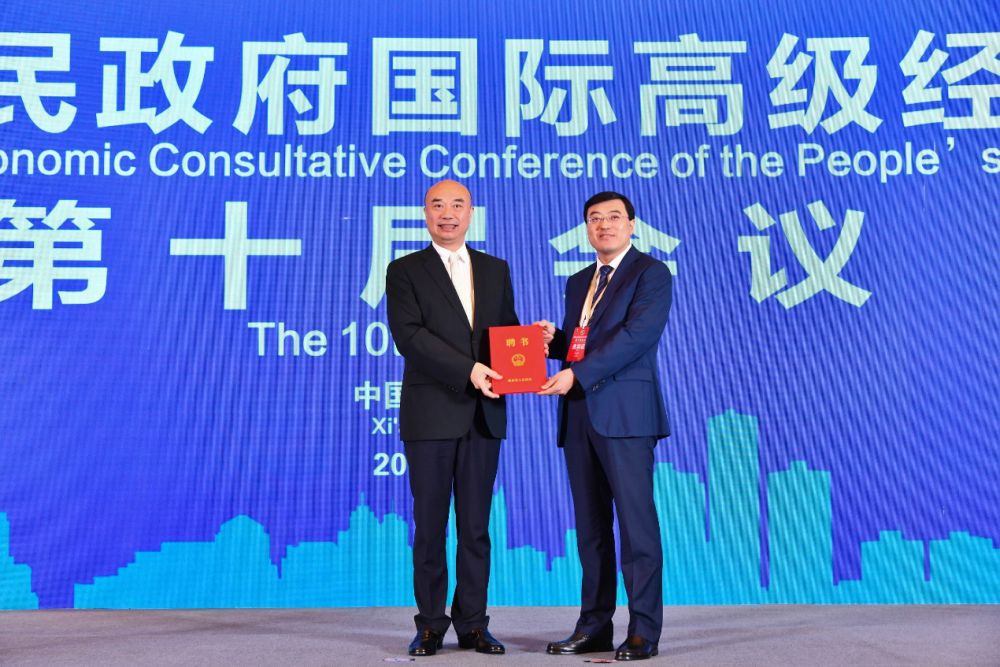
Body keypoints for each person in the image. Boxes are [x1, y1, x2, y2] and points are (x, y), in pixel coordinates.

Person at [537, 191, 672, 661]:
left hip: (627, 416)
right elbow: (584, 343)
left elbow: (636, 337)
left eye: (614, 217)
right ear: (586, 228)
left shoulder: (651, 273)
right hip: (579, 415)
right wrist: (554, 342)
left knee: (636, 529)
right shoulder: (580, 281)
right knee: (591, 530)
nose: (604, 225)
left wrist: (577, 374)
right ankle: (593, 626)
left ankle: (643, 631)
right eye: (595, 218)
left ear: (632, 225)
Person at [386, 179, 518, 657]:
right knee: (430, 527)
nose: (448, 213)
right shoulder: (404, 270)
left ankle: (474, 624)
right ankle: (429, 625)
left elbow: (506, 333)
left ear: (471, 213)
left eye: (457, 205)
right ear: (425, 214)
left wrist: (532, 345)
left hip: (484, 415)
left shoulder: (495, 269)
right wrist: (469, 371)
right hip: (431, 416)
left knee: (476, 528)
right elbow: (410, 337)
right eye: (438, 205)